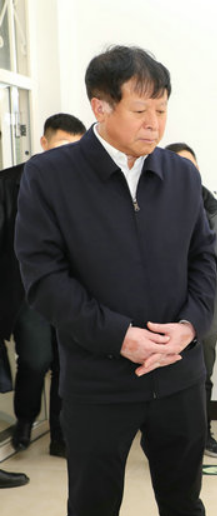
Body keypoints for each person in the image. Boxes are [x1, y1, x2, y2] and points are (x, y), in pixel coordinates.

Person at [15, 46, 216, 516]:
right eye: (141, 110)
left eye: (163, 110)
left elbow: (204, 258)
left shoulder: (180, 175)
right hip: (98, 379)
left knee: (185, 506)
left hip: (177, 375)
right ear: (100, 107)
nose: (155, 124)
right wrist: (120, 337)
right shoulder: (50, 176)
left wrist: (190, 326)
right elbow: (44, 279)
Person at [0, 113, 87, 456]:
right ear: (44, 143)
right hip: (26, 291)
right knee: (36, 359)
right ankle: (25, 420)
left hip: (69, 290)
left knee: (67, 362)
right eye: (62, 146)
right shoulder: (9, 183)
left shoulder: (84, 187)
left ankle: (61, 436)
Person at [166, 142, 217, 458]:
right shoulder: (154, 206)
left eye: (192, 166)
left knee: (203, 375)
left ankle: (203, 435)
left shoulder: (213, 209)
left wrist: (214, 294)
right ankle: (168, 440)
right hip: (166, 312)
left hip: (207, 311)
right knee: (168, 378)